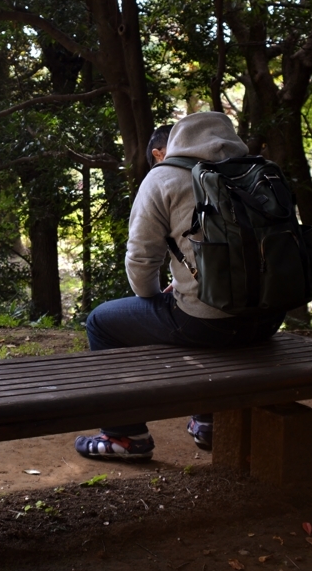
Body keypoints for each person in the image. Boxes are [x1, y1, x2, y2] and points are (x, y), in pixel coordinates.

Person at [74, 112, 286, 461]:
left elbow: (142, 263)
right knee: (197, 312)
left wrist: (155, 298)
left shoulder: (164, 178)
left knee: (102, 321)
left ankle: (124, 436)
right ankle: (206, 419)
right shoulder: (261, 172)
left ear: (174, 143)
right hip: (268, 318)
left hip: (208, 323)